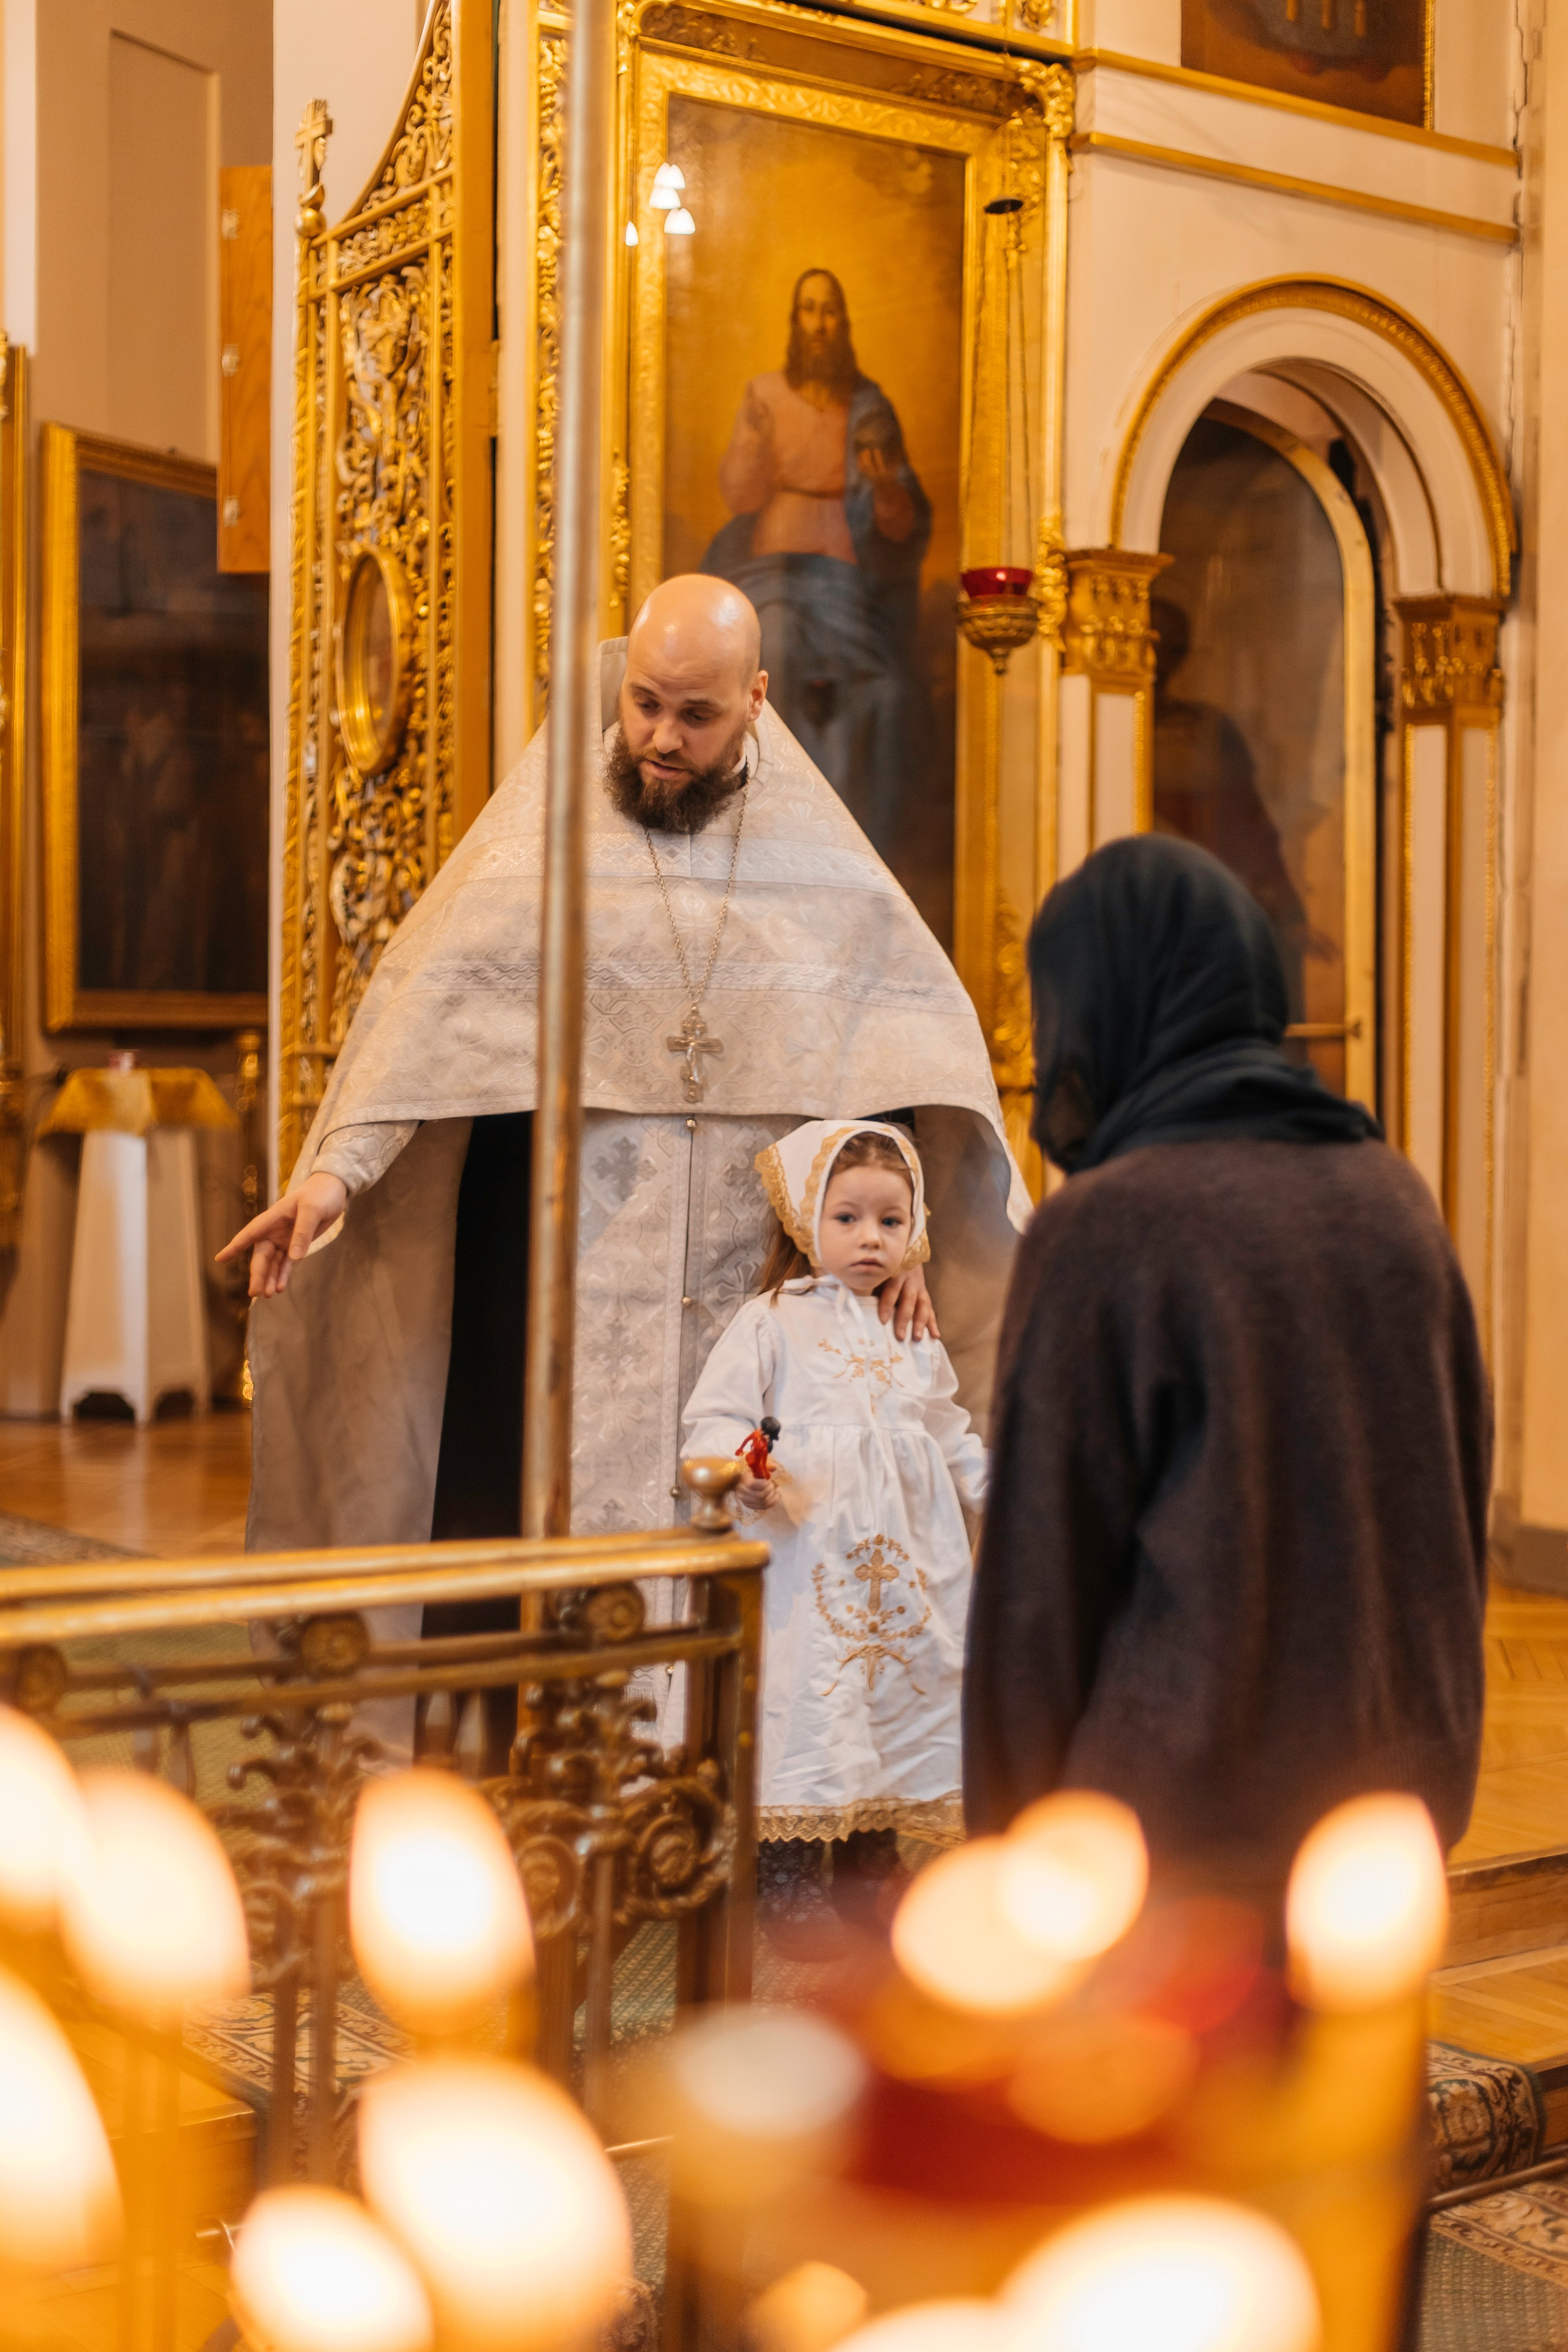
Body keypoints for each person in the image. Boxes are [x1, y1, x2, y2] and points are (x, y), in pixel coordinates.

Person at [224, 574, 1025, 1573]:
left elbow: (907, 1065)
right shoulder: (535, 853)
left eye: (698, 716)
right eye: (644, 702)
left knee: (752, 1556)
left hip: (753, 1291)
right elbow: (430, 1033)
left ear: (757, 701)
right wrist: (330, 1180)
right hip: (567, 1298)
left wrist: (904, 1241)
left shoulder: (824, 870)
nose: (661, 738)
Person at [963, 834, 1490, 1901]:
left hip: (1167, 1855)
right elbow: (1454, 1519)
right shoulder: (1392, 1197)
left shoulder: (1108, 1226)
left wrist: (1012, 1867)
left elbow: (1038, 1595)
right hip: (1382, 1837)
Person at [683, 1120, 986, 1950]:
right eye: (847, 1218)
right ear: (804, 1219)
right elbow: (718, 1419)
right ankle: (783, 1874)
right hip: (811, 1544)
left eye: (891, 1221)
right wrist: (738, 1472)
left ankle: (870, 1862)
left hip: (907, 1558)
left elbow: (947, 1426)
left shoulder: (910, 1327)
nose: (869, 1239)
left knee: (894, 1697)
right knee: (817, 1698)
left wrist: (1002, 1490)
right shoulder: (773, 1319)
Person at [701, 269, 930, 853]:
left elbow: (902, 520)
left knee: (887, 690)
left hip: (848, 581)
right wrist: (753, 444)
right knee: (775, 649)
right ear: (795, 320)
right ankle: (766, 833)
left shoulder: (869, 406)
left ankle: (852, 840)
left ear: (843, 322)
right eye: (809, 310)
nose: (820, 323)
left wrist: (883, 489)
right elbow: (740, 496)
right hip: (771, 570)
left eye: (830, 311)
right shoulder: (765, 396)